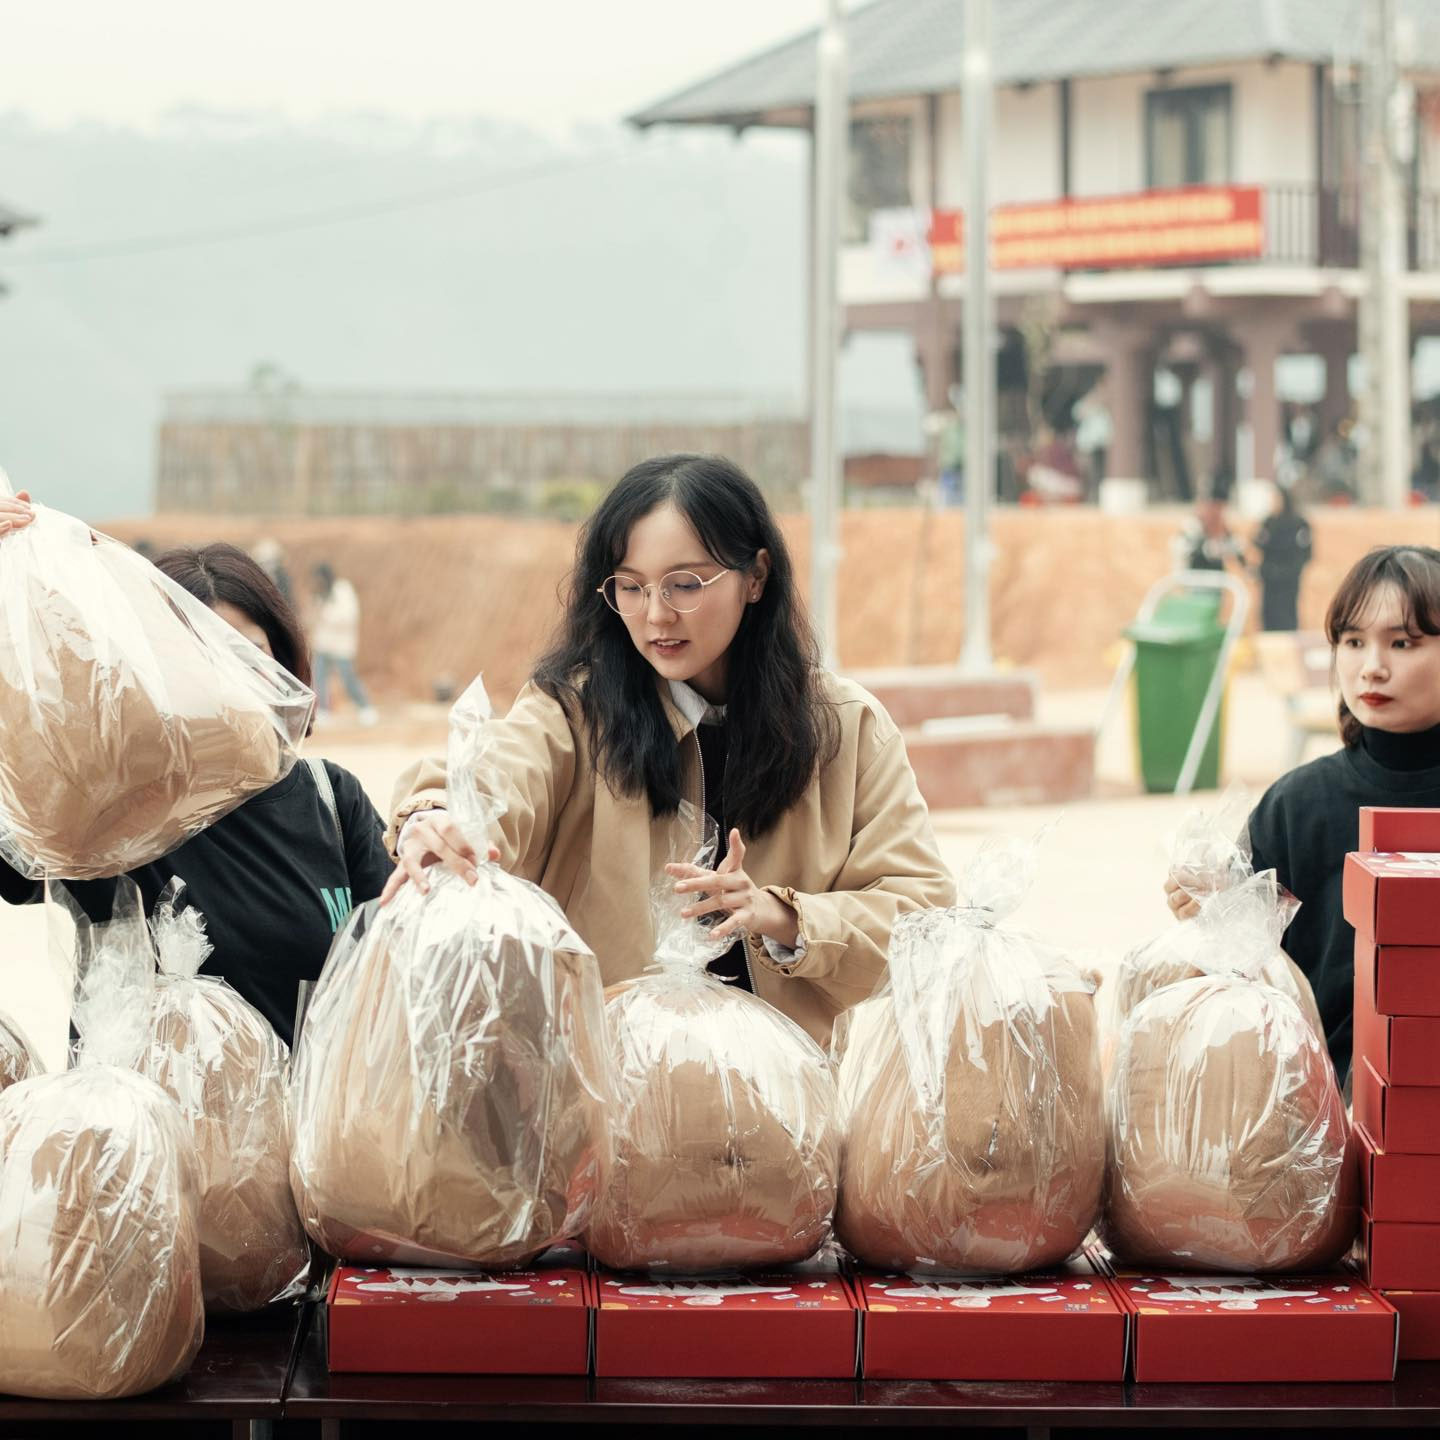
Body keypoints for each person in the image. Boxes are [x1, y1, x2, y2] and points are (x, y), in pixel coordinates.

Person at [381, 453, 956, 1044]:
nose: (656, 615)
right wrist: (437, 816)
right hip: (612, 1096)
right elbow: (500, 773)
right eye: (630, 587)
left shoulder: (846, 728)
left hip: (791, 1101)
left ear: (756, 577)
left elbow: (923, 912)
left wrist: (780, 916)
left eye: (685, 584)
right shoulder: (576, 713)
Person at [0, 499, 393, 1045]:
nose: (230, 682)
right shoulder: (106, 805)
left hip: (306, 1127)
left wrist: (434, 812)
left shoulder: (332, 798)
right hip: (147, 1128)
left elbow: (401, 959)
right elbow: (19, 862)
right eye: (199, 657)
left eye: (249, 655)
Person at [1165, 545, 1440, 1081]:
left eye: (1402, 643)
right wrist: (1212, 910)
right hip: (1322, 1115)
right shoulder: (1297, 806)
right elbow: (1242, 990)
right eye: (1354, 642)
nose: (1372, 667)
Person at [311, 561, 378, 726]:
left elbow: (348, 617)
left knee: (348, 679)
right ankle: (324, 711)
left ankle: (366, 708)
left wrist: (326, 615)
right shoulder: (320, 594)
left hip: (342, 645)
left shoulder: (343, 590)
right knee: (319, 678)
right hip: (323, 644)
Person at [1251, 486, 1313, 631]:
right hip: (1269, 580)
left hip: (1289, 580)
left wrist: (1292, 570)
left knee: (1287, 615)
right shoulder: (1268, 523)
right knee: (1268, 615)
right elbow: (1259, 543)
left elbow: (1306, 552)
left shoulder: (1299, 524)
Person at [1172, 497, 1245, 574]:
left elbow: (1238, 548)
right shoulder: (1191, 531)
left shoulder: (1226, 534)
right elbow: (1181, 551)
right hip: (1195, 574)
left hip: (1216, 577)